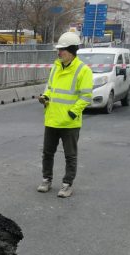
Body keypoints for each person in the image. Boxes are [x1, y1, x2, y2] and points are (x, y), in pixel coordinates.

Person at [37, 32, 93, 198]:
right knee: (47, 153)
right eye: (58, 50)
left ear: (71, 51)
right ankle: (46, 179)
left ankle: (67, 184)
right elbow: (50, 87)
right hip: (52, 118)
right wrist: (45, 97)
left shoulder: (83, 71)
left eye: (62, 50)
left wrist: (72, 112)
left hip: (69, 123)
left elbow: (86, 97)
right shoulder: (55, 67)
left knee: (70, 156)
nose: (59, 53)